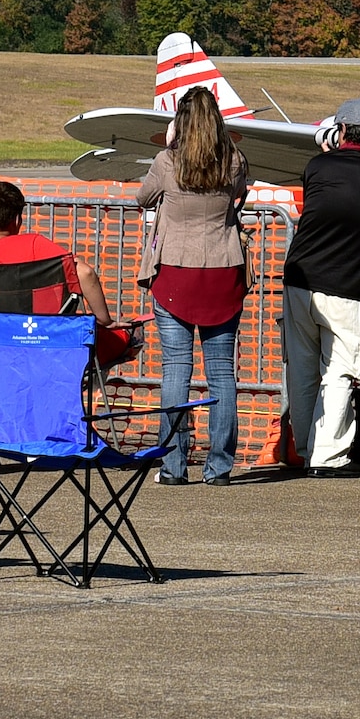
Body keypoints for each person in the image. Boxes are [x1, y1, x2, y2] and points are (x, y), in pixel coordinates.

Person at [137, 86, 251, 486]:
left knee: (175, 373)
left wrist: (170, 144)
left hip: (174, 274)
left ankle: (173, 465)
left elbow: (143, 196)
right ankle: (219, 466)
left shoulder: (167, 161)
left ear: (179, 123)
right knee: (222, 374)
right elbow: (240, 192)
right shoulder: (233, 161)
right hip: (223, 271)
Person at [282, 97, 360, 478]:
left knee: (302, 367)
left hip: (299, 277)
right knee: (341, 370)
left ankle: (304, 446)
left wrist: (330, 151)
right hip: (346, 285)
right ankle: (327, 456)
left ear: (342, 130)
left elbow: (321, 188)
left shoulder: (317, 166)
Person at [0, 181, 116, 336]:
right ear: (16, 220)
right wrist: (105, 321)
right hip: (47, 346)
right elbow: (85, 273)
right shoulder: (35, 245)